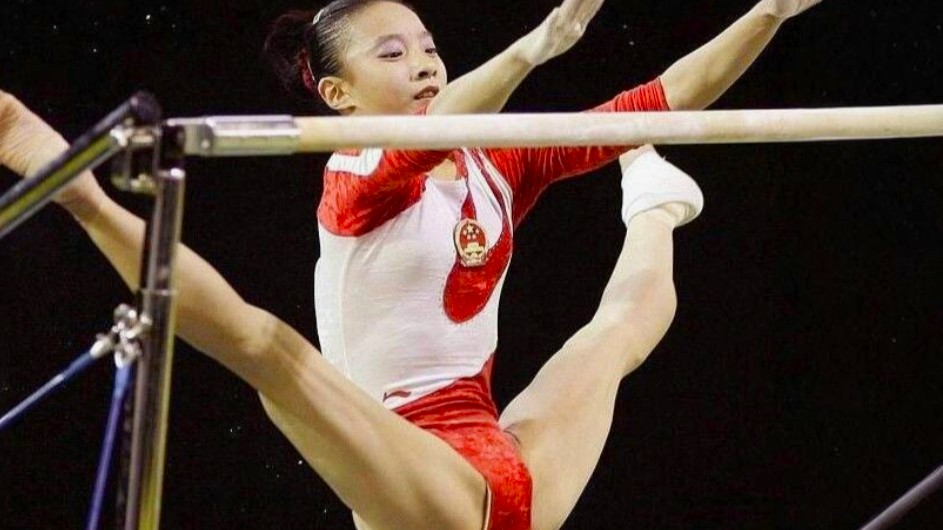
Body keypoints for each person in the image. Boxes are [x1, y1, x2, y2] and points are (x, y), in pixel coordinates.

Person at [0, 0, 823, 528]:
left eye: (428, 46)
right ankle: (85, 199)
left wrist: (768, 15)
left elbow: (667, 98)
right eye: (391, 55)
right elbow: (418, 141)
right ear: (338, 96)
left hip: (514, 473)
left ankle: (654, 201)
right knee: (272, 353)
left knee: (617, 334)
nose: (425, 63)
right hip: (420, 480)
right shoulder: (354, 177)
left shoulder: (498, 164)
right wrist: (531, 50)